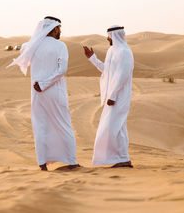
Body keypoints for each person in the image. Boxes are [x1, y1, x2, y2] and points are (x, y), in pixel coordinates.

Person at [7, 16, 79, 171]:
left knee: (40, 126)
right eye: (59, 28)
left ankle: (42, 163)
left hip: (37, 92)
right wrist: (45, 83)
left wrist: (12, 47)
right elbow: (62, 70)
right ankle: (71, 161)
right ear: (53, 29)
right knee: (63, 124)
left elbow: (22, 49)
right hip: (54, 91)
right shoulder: (60, 46)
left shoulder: (32, 45)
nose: (60, 31)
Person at [82, 25, 134, 168]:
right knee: (115, 128)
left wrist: (113, 95)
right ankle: (121, 159)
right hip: (113, 96)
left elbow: (122, 75)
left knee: (116, 127)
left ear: (115, 35)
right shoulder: (112, 51)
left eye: (109, 36)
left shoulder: (125, 52)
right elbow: (107, 71)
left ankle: (123, 159)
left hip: (120, 95)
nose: (107, 38)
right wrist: (92, 58)